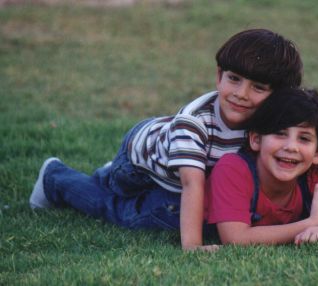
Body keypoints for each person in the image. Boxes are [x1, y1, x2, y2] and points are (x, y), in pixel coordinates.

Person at [29, 29, 303, 251]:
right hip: (143, 155)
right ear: (219, 75)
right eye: (234, 79)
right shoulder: (194, 125)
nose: (241, 94)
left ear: (278, 95)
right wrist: (193, 246)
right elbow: (191, 185)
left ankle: (104, 174)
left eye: (258, 87)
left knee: (169, 200)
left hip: (182, 162)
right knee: (124, 208)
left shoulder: (268, 123)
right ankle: (55, 178)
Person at [205, 88, 318, 245]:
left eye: (304, 138)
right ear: (256, 139)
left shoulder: (317, 171)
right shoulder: (232, 169)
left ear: (317, 153)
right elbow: (235, 238)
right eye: (280, 133)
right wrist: (314, 222)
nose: (291, 147)